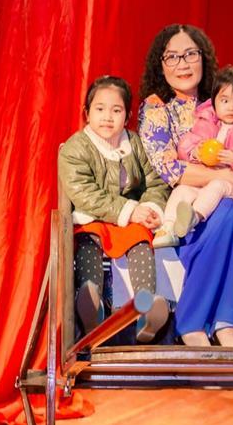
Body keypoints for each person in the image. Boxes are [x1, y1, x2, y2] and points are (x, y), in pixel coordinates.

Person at [138, 24, 233, 347]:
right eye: (172, 57)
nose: (183, 64)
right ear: (161, 64)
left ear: (204, 57)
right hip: (184, 199)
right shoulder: (157, 107)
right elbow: (170, 168)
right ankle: (212, 323)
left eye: (190, 54)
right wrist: (225, 178)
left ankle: (212, 323)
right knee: (226, 210)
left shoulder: (225, 95)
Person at [57, 75, 170, 343]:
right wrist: (128, 210)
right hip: (94, 218)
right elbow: (83, 192)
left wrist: (149, 209)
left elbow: (155, 181)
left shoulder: (135, 144)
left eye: (116, 110)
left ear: (127, 116)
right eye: (100, 109)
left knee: (141, 240)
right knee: (89, 244)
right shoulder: (75, 148)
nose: (107, 117)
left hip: (130, 221)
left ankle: (146, 310)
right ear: (87, 113)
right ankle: (91, 307)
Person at [158, 65, 233, 239]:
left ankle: (194, 217)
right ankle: (168, 227)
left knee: (218, 186)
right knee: (182, 190)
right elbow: (187, 143)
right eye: (225, 101)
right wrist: (195, 152)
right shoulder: (207, 122)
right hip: (203, 185)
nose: (231, 108)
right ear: (214, 101)